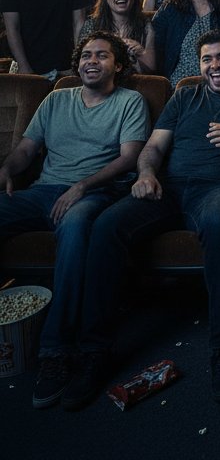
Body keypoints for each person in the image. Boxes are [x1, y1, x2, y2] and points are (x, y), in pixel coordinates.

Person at [64, 32, 220, 408]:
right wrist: (146, 174)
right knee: (106, 225)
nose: (215, 65)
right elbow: (153, 147)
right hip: (169, 187)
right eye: (207, 59)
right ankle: (94, 352)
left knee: (216, 225)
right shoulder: (184, 95)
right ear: (199, 65)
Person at [0, 33, 148, 408]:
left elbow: (129, 158)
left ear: (118, 64)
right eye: (86, 55)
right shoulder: (56, 98)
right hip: (44, 189)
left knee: (76, 228)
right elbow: (26, 149)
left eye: (102, 55)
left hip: (97, 191)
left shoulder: (129, 101)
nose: (92, 61)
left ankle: (56, 350)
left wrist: (82, 186)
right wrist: (7, 169)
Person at [79, 0, 152, 73]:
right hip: (100, 81)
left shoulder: (145, 25)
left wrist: (141, 53)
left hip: (135, 82)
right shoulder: (91, 25)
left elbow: (152, 69)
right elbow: (81, 63)